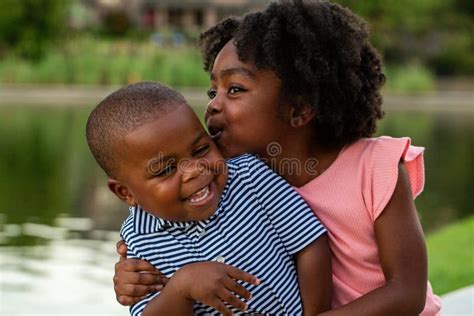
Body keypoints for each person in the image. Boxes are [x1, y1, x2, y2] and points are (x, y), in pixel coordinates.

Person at [113, 1, 442, 315]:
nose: (212, 104)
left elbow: (407, 292)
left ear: (298, 109)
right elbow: (160, 211)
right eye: (213, 90)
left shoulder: (374, 167)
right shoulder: (231, 180)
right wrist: (134, 274)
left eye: (235, 89)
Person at [86, 81, 332, 315]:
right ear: (125, 193)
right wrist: (182, 286)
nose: (195, 170)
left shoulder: (249, 177)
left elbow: (310, 243)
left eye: (201, 150)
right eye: (166, 170)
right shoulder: (139, 240)